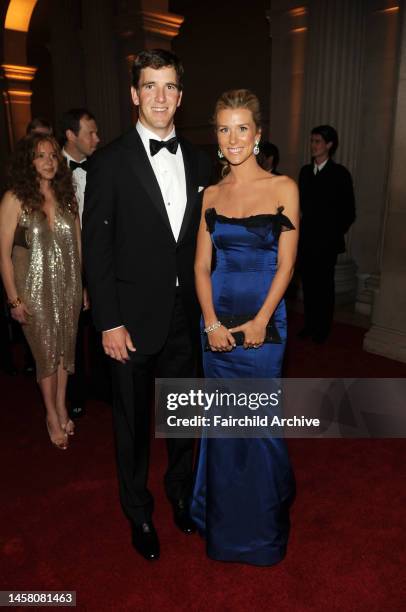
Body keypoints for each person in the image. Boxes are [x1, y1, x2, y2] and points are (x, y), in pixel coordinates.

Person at [82, 49, 212, 561]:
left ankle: (180, 493)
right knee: (133, 425)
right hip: (130, 321)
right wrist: (108, 321)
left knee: (184, 418)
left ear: (180, 96)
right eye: (150, 86)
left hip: (188, 317)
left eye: (170, 86)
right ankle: (138, 510)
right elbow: (98, 247)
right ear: (134, 94)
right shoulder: (109, 161)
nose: (160, 96)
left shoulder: (201, 159)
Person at [191, 89, 298, 566]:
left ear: (257, 135)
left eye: (241, 128)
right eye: (223, 129)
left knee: (259, 426)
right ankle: (226, 529)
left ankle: (263, 530)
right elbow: (199, 267)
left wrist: (259, 321)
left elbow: (287, 267)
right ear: (216, 137)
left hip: (264, 324)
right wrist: (211, 322)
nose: (232, 139)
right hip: (215, 327)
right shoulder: (211, 195)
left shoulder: (283, 188)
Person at [0, 134, 82, 449]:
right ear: (28, 162)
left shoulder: (66, 196)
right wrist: (13, 299)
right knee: (46, 353)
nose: (48, 161)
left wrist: (82, 286)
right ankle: (50, 414)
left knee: (65, 351)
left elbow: (78, 244)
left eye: (52, 156)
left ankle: (61, 405)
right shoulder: (14, 198)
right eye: (40, 156)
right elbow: (4, 254)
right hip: (32, 291)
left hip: (68, 287)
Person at [298, 125, 356, 343]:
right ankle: (309, 325)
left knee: (324, 287)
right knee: (309, 286)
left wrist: (330, 233)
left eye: (318, 142)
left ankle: (322, 329)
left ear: (329, 145)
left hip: (327, 243)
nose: (313, 146)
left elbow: (349, 212)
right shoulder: (304, 172)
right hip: (306, 241)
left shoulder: (340, 174)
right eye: (312, 141)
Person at [60, 108, 100, 418]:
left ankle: (102, 386)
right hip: (63, 262)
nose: (96, 139)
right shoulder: (49, 169)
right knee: (69, 334)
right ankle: (73, 393)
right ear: (71, 135)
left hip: (98, 258)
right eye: (90, 133)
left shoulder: (101, 166)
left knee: (103, 324)